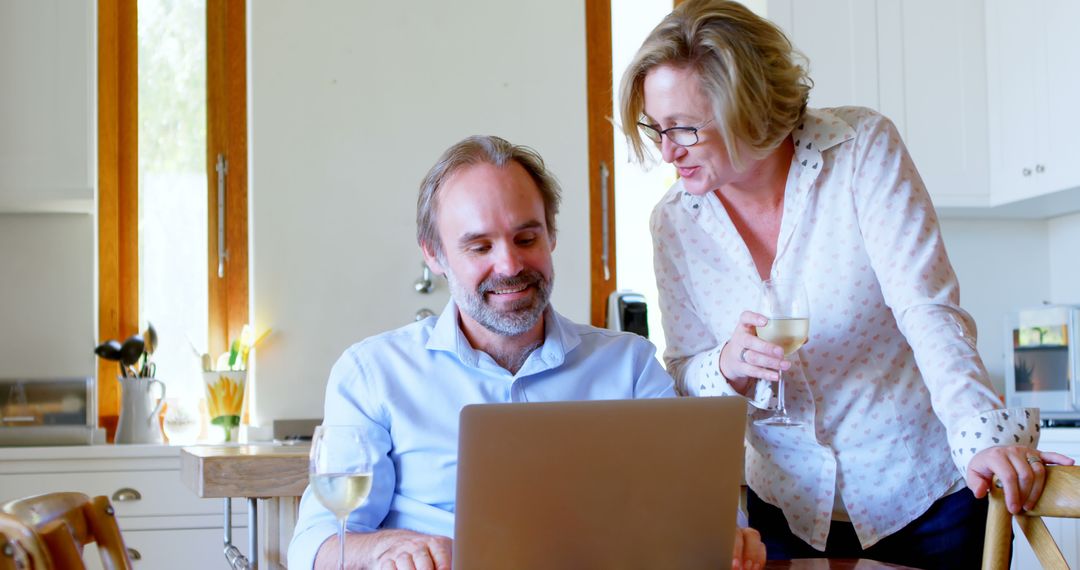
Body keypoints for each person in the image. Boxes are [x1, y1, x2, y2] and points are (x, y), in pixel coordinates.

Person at [618, 1, 1073, 568]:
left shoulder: (859, 150)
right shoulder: (675, 222)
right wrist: (726, 367)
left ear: (748, 107)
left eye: (684, 128)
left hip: (921, 497)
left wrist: (983, 434)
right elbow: (684, 370)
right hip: (784, 510)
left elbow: (926, 308)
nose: (667, 150)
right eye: (656, 128)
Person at [288, 135, 766, 570]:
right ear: (434, 256)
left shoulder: (630, 365)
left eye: (526, 238)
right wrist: (387, 549)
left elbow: (700, 505)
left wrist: (728, 534)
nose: (510, 264)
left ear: (551, 235)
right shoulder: (371, 373)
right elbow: (316, 542)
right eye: (479, 246)